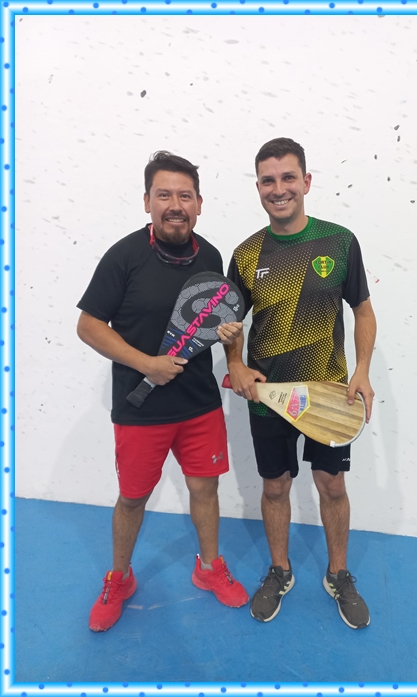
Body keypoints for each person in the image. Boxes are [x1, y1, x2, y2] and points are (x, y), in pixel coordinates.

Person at [77, 151, 249, 633]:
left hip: (199, 405)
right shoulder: (124, 256)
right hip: (140, 409)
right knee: (132, 498)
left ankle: (209, 567)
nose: (176, 205)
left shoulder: (211, 257)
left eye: (185, 196)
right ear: (147, 201)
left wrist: (231, 342)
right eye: (165, 195)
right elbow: (88, 325)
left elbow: (217, 321)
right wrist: (145, 363)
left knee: (205, 489)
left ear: (199, 204)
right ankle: (120, 578)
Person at [225, 137, 376, 629]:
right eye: (268, 180)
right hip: (268, 398)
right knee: (275, 486)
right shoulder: (246, 254)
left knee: (332, 484)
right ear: (258, 187)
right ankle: (280, 570)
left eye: (288, 177)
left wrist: (362, 369)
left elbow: (363, 310)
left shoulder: (339, 242)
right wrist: (236, 363)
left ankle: (338, 575)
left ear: (306, 182)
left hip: (329, 395)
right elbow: (229, 323)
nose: (279, 189)